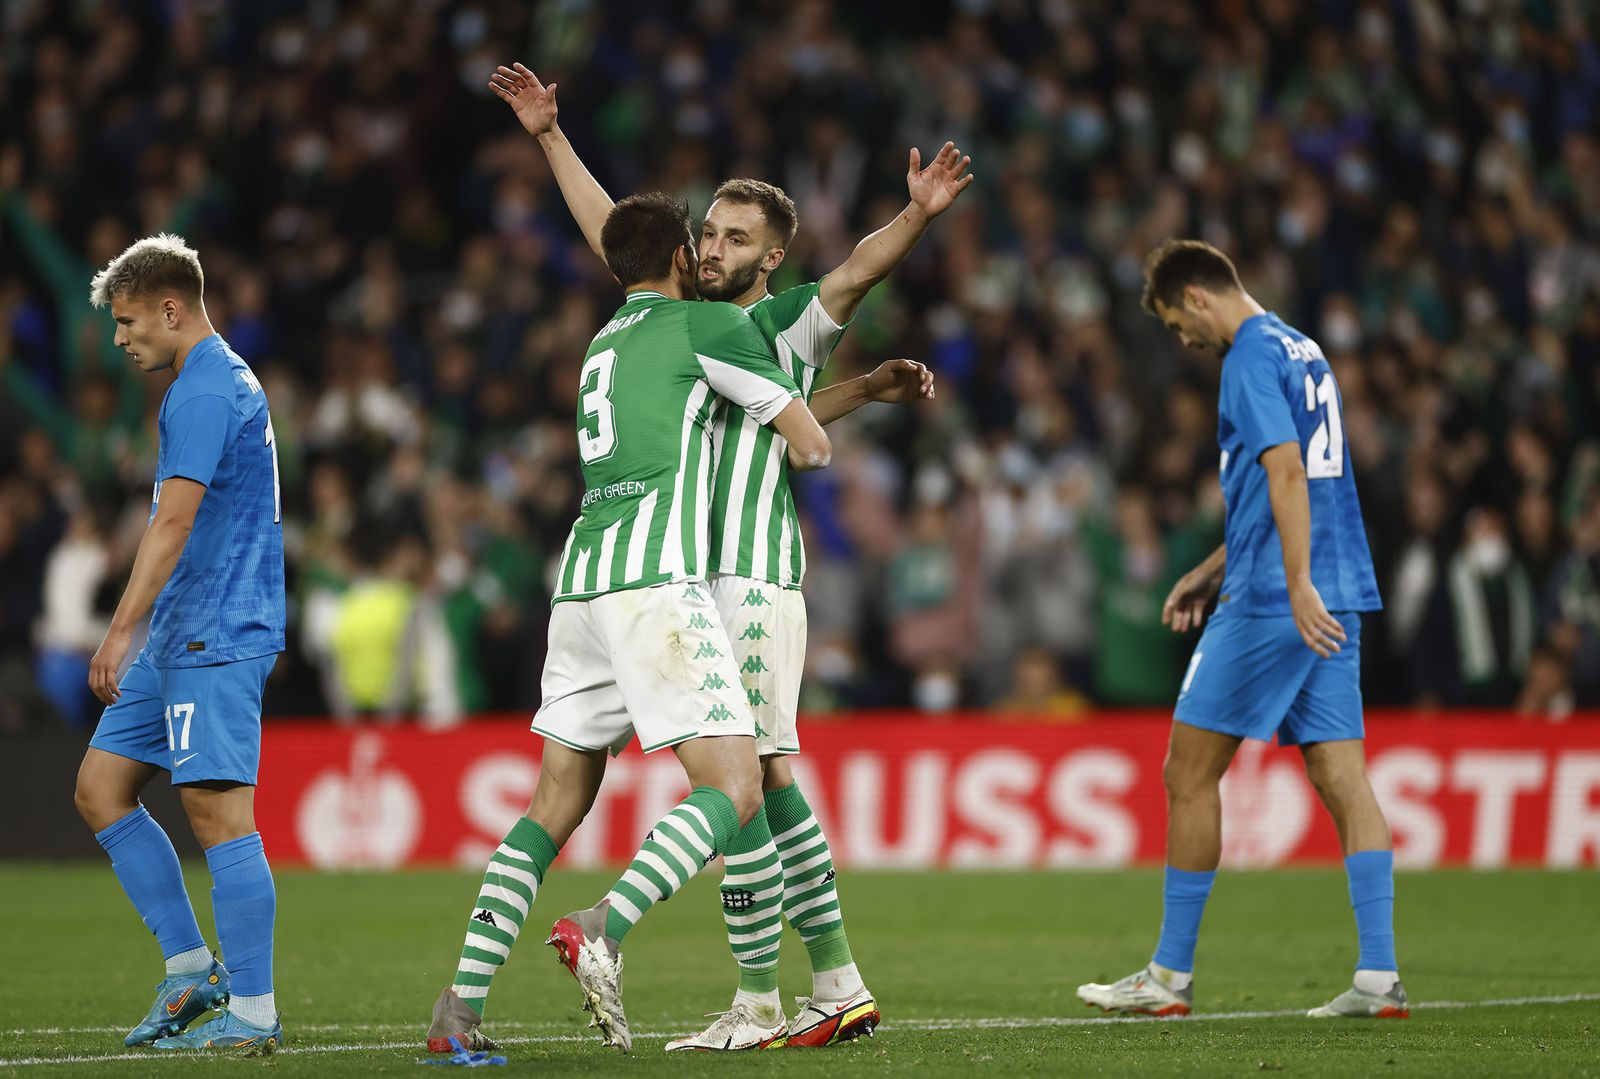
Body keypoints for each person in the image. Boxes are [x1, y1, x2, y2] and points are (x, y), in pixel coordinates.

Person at [481, 61, 968, 1051]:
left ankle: (759, 998)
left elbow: (854, 273)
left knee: (747, 781)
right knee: (769, 777)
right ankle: (832, 981)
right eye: (705, 231)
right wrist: (549, 136)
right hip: (686, 578)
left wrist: (913, 218)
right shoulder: (683, 326)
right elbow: (612, 235)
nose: (710, 245)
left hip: (743, 578)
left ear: (773, 254)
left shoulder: (776, 321)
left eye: (735, 236)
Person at [426, 193, 834, 1055]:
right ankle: (604, 923)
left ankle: (458, 1010)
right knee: (736, 785)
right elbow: (810, 444)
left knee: (550, 806)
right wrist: (805, 405)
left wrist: (550, 142)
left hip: (579, 585)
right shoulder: (707, 328)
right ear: (685, 258)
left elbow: (622, 237)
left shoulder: (603, 342)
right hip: (658, 584)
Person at [1077, 240, 1403, 1020]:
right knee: (1341, 777)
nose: (1181, 342)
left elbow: (1287, 470)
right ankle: (1379, 977)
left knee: (1186, 773)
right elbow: (1299, 487)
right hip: (1336, 586)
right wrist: (1218, 563)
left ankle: (1168, 977)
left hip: (1275, 598)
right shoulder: (1305, 346)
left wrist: (1284, 583)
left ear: (1195, 298)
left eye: (1172, 324)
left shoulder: (1249, 357)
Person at [73, 234, 286, 1052]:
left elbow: (175, 518)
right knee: (100, 787)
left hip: (217, 627)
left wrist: (119, 628)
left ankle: (254, 1014)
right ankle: (193, 965)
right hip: (183, 626)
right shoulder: (208, 381)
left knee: (219, 815)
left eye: (127, 321)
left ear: (172, 310)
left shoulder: (203, 391)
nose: (120, 338)